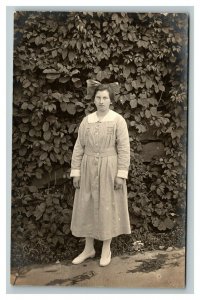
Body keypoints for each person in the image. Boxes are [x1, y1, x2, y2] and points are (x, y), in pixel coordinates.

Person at [70, 80, 131, 267]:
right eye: (98, 97)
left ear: (110, 100)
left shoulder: (117, 120)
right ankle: (89, 248)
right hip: (88, 168)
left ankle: (106, 247)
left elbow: (124, 148)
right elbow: (79, 147)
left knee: (107, 205)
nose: (102, 101)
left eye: (105, 97)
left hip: (109, 169)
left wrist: (121, 174)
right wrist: (76, 172)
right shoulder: (86, 121)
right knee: (87, 205)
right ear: (94, 100)